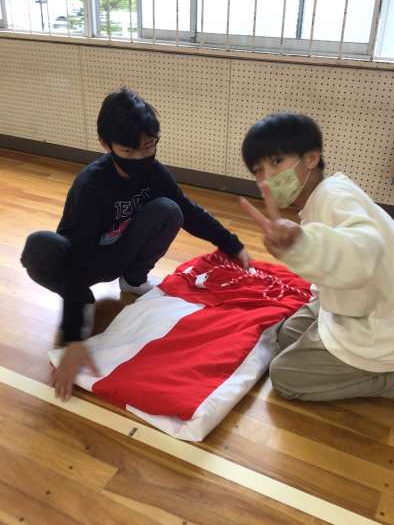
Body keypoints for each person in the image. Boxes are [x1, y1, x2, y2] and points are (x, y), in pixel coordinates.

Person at [21, 88, 250, 401]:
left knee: (170, 209)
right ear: (105, 144)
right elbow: (78, 258)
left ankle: (133, 280)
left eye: (148, 147)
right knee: (38, 248)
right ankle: (83, 300)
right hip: (82, 263)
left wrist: (232, 245)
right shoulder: (90, 186)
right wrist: (74, 338)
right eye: (128, 151)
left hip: (121, 254)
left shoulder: (154, 173)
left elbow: (190, 211)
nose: (141, 158)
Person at [239, 112, 394, 415]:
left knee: (284, 377)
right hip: (366, 304)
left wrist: (301, 244)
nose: (266, 177)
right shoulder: (324, 195)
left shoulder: (334, 197)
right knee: (286, 334)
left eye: (276, 162)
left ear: (311, 158)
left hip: (387, 327)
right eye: (258, 170)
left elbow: (363, 252)